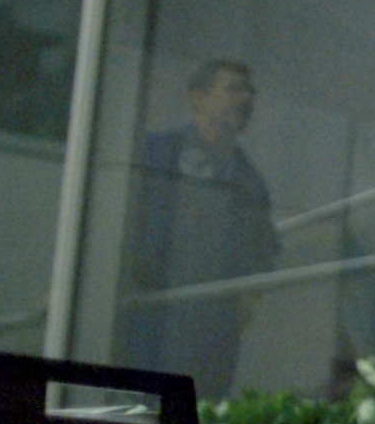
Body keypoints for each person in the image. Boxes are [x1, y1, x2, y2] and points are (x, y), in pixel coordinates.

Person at [117, 57, 279, 398]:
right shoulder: (158, 153)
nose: (245, 99)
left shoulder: (250, 181)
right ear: (198, 97)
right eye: (233, 89)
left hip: (213, 329)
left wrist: (248, 299)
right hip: (151, 316)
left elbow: (262, 250)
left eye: (250, 92)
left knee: (198, 410)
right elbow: (117, 220)